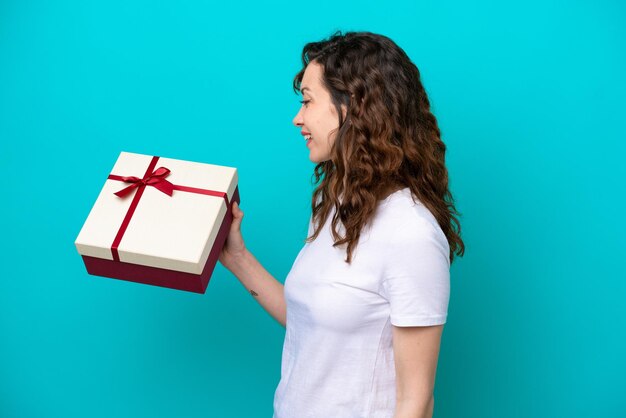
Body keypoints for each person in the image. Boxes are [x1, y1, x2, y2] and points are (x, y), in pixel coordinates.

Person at [219, 30, 465, 418]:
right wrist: (237, 258)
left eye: (307, 102)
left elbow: (415, 402)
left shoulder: (412, 233)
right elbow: (313, 321)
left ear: (353, 107)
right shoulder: (334, 203)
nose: (297, 118)